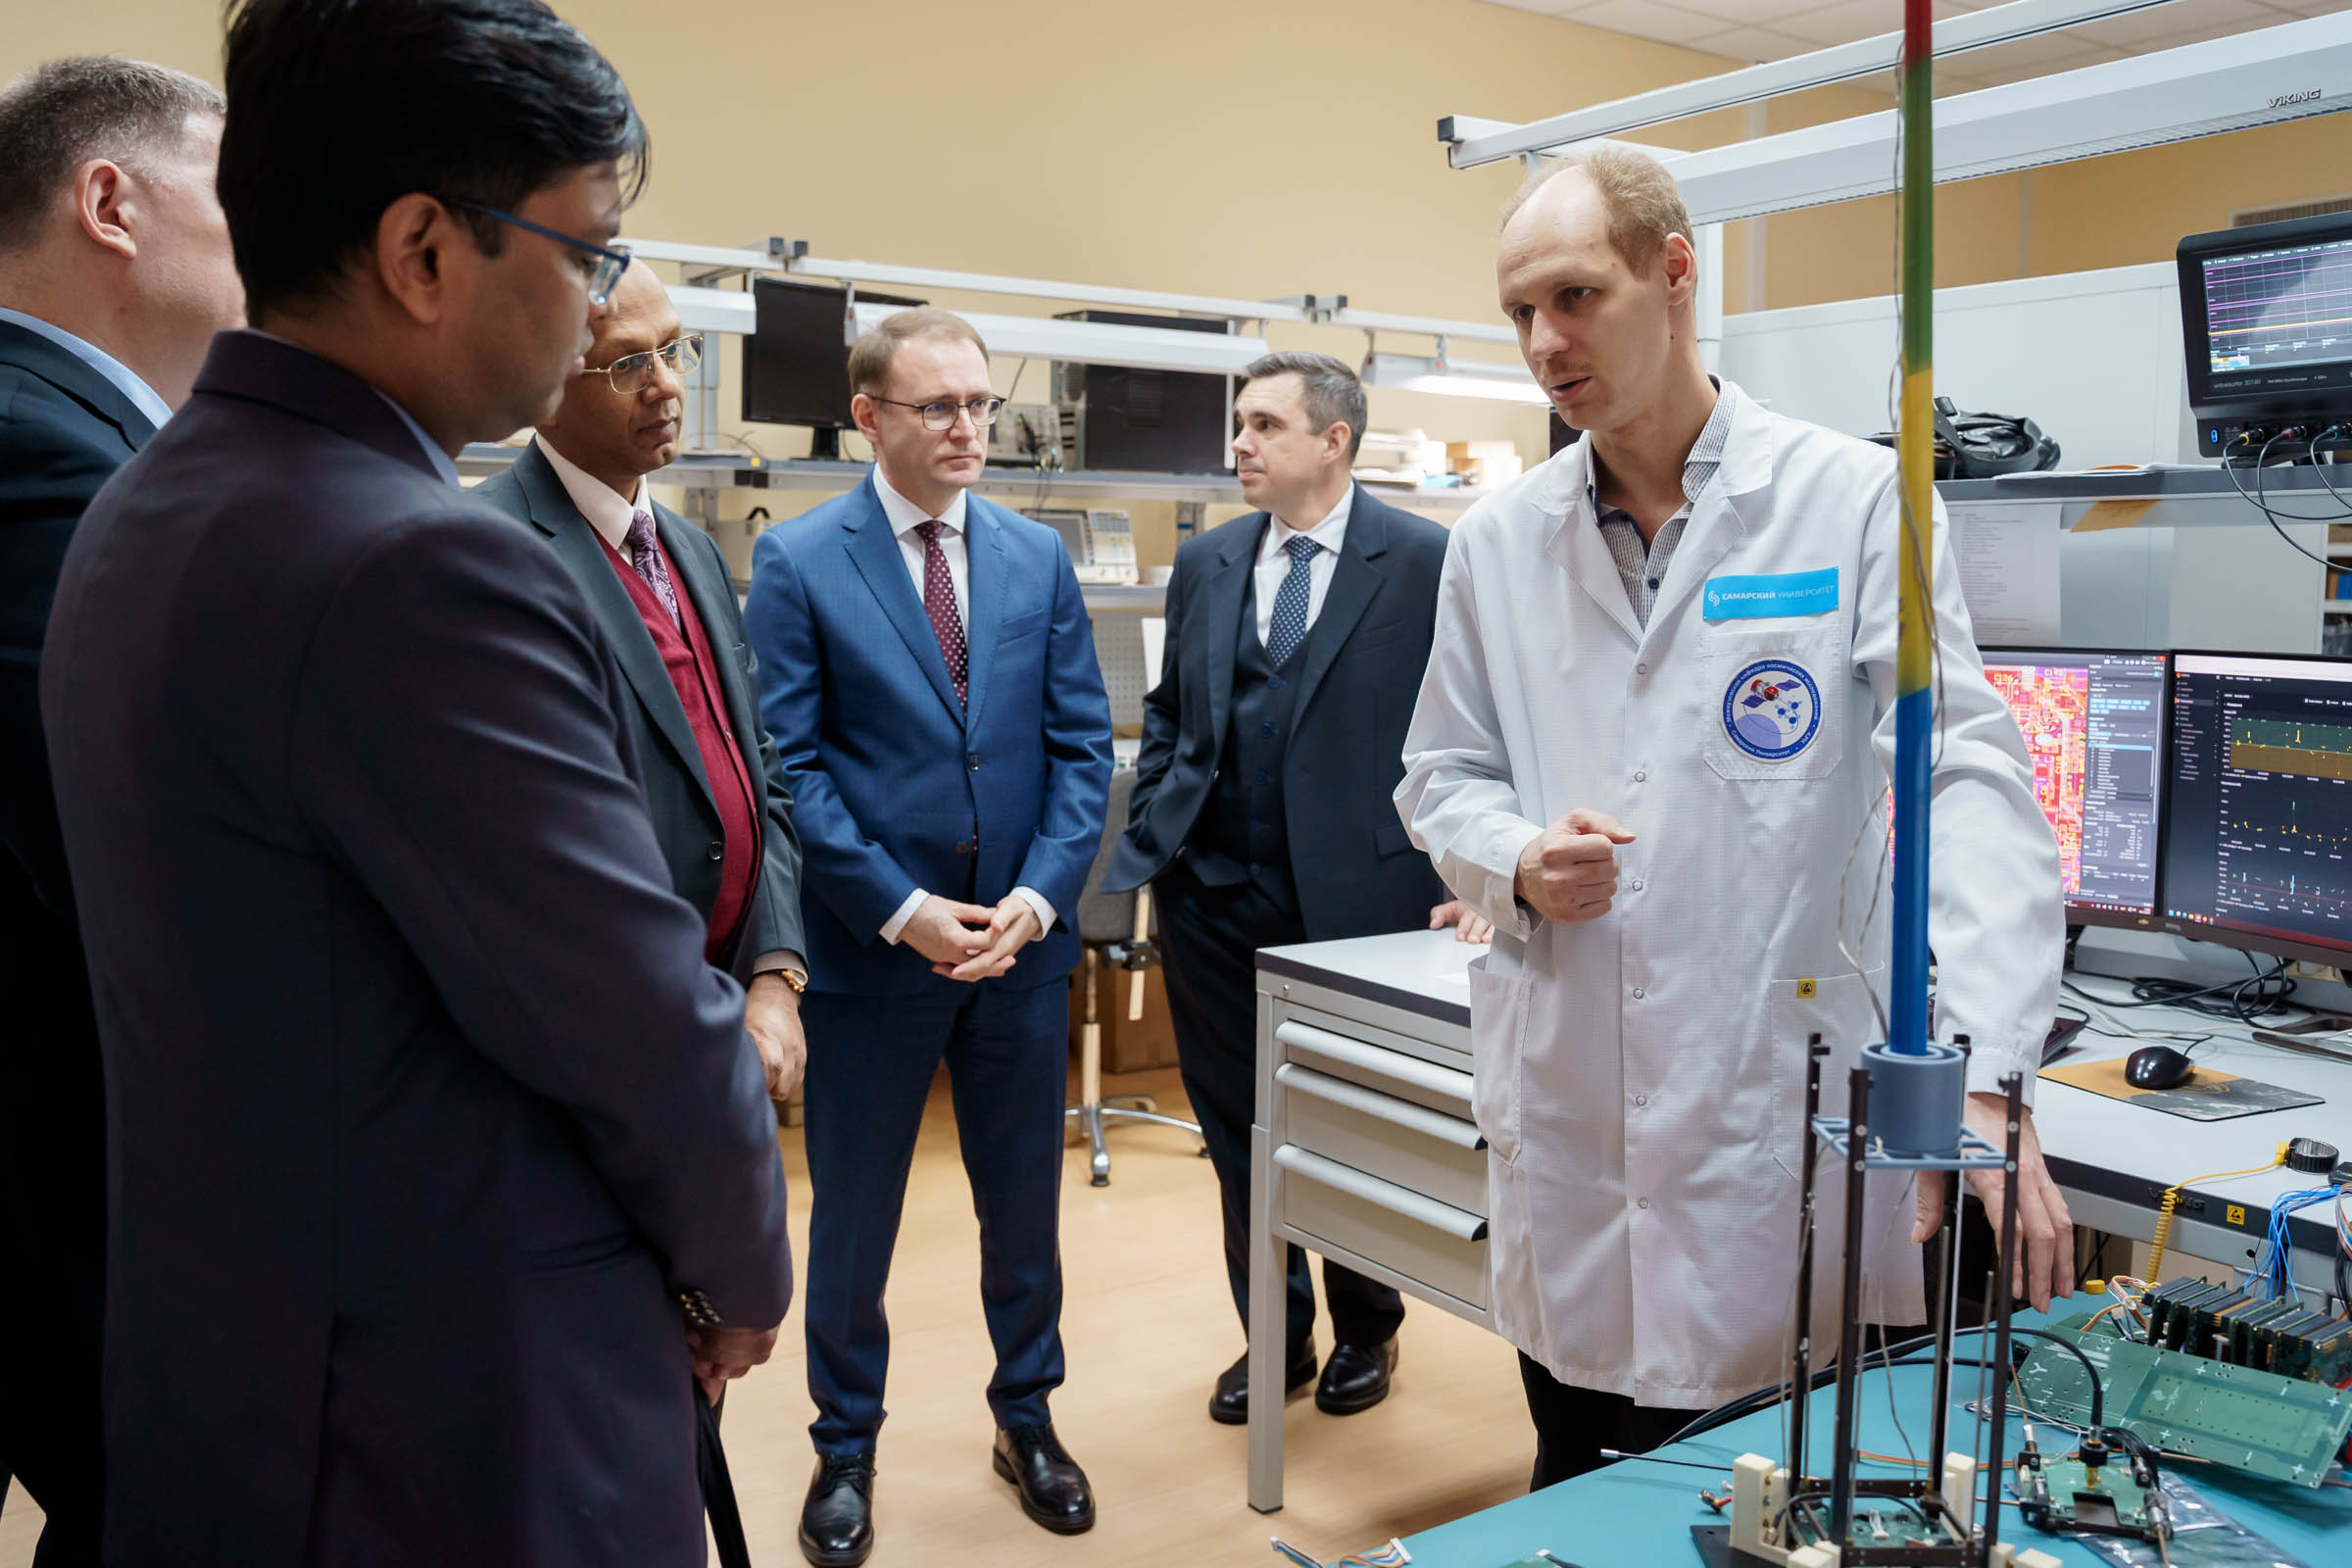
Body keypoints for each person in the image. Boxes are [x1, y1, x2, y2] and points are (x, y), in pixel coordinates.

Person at [38, 3, 791, 1562]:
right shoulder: (417, 565)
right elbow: (635, 1024)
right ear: (425, 252)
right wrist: (737, 1271)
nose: (597, 311)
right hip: (451, 1415)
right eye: (587, 253)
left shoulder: (151, 501)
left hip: (240, 1366)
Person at [1395, 145, 2074, 1491]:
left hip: (1775, 1121)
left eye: (1576, 296)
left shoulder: (1856, 500)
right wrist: (1516, 857)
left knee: (1789, 1494)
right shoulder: (1496, 541)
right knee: (1584, 1479)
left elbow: (1963, 774)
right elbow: (1439, 774)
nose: (1545, 342)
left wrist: (1992, 1069)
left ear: (1675, 273)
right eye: (1520, 311)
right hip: (1578, 1121)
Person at [744, 307, 1112, 1566]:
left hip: (1018, 950)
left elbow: (1080, 747)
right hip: (873, 955)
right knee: (854, 1219)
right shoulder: (800, 562)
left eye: (979, 405)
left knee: (1024, 1210)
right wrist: (901, 910)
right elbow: (789, 766)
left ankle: (1029, 1419)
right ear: (870, 417)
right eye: (939, 405)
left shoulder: (1033, 556)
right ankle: (844, 1444)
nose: (969, 428)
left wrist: (1040, 897)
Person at [1105, 351, 1457, 1426]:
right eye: (1240, 424)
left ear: (1334, 440)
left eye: (1264, 425)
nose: (1240, 445)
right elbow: (1172, 710)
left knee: (1353, 1122)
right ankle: (1275, 1336)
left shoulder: (1426, 559)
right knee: (1239, 1129)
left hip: (1357, 904)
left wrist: (1466, 870)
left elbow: (1470, 720)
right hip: (1211, 896)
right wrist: (1160, 823)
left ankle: (1368, 1326)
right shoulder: (1209, 560)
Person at [0, 55, 241, 1567]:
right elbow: (136, 842)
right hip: (64, 1161)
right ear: (111, 201)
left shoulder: (97, 443)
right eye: (238, 192)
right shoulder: (42, 451)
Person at [475, 260, 810, 1102]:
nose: (666, 385)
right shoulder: (485, 551)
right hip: (600, 1042)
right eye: (628, 364)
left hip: (732, 1015)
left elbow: (760, 771)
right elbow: (517, 844)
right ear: (547, 388)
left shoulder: (691, 551)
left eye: (674, 350)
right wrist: (677, 1017)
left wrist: (775, 973)